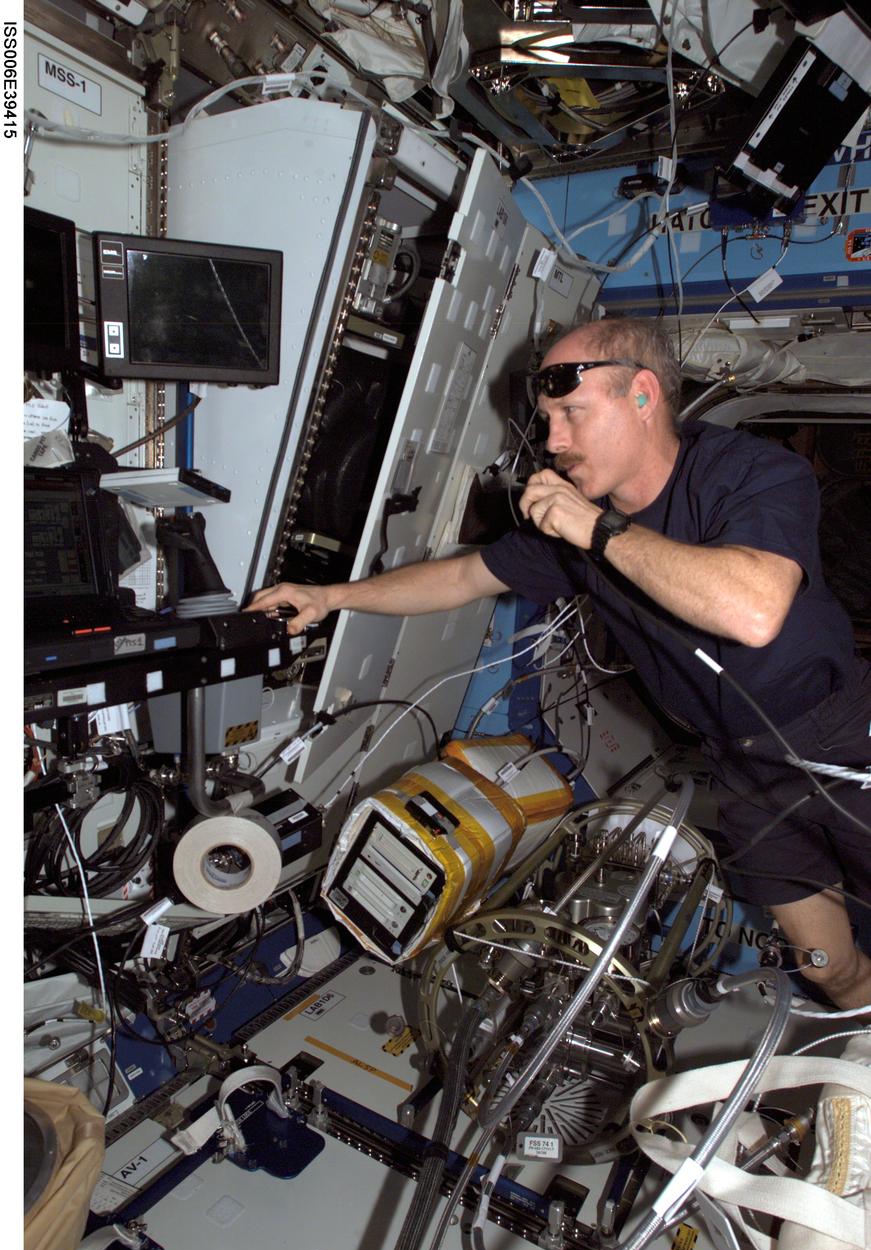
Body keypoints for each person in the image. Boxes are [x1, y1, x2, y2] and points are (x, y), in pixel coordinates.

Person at [248, 316, 871, 1013]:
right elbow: (461, 577)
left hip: (838, 735)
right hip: (741, 771)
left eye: (572, 413)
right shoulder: (582, 523)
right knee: (827, 968)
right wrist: (330, 597)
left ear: (642, 395)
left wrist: (596, 530)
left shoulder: (747, 472)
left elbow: (752, 611)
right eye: (546, 422)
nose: (553, 442)